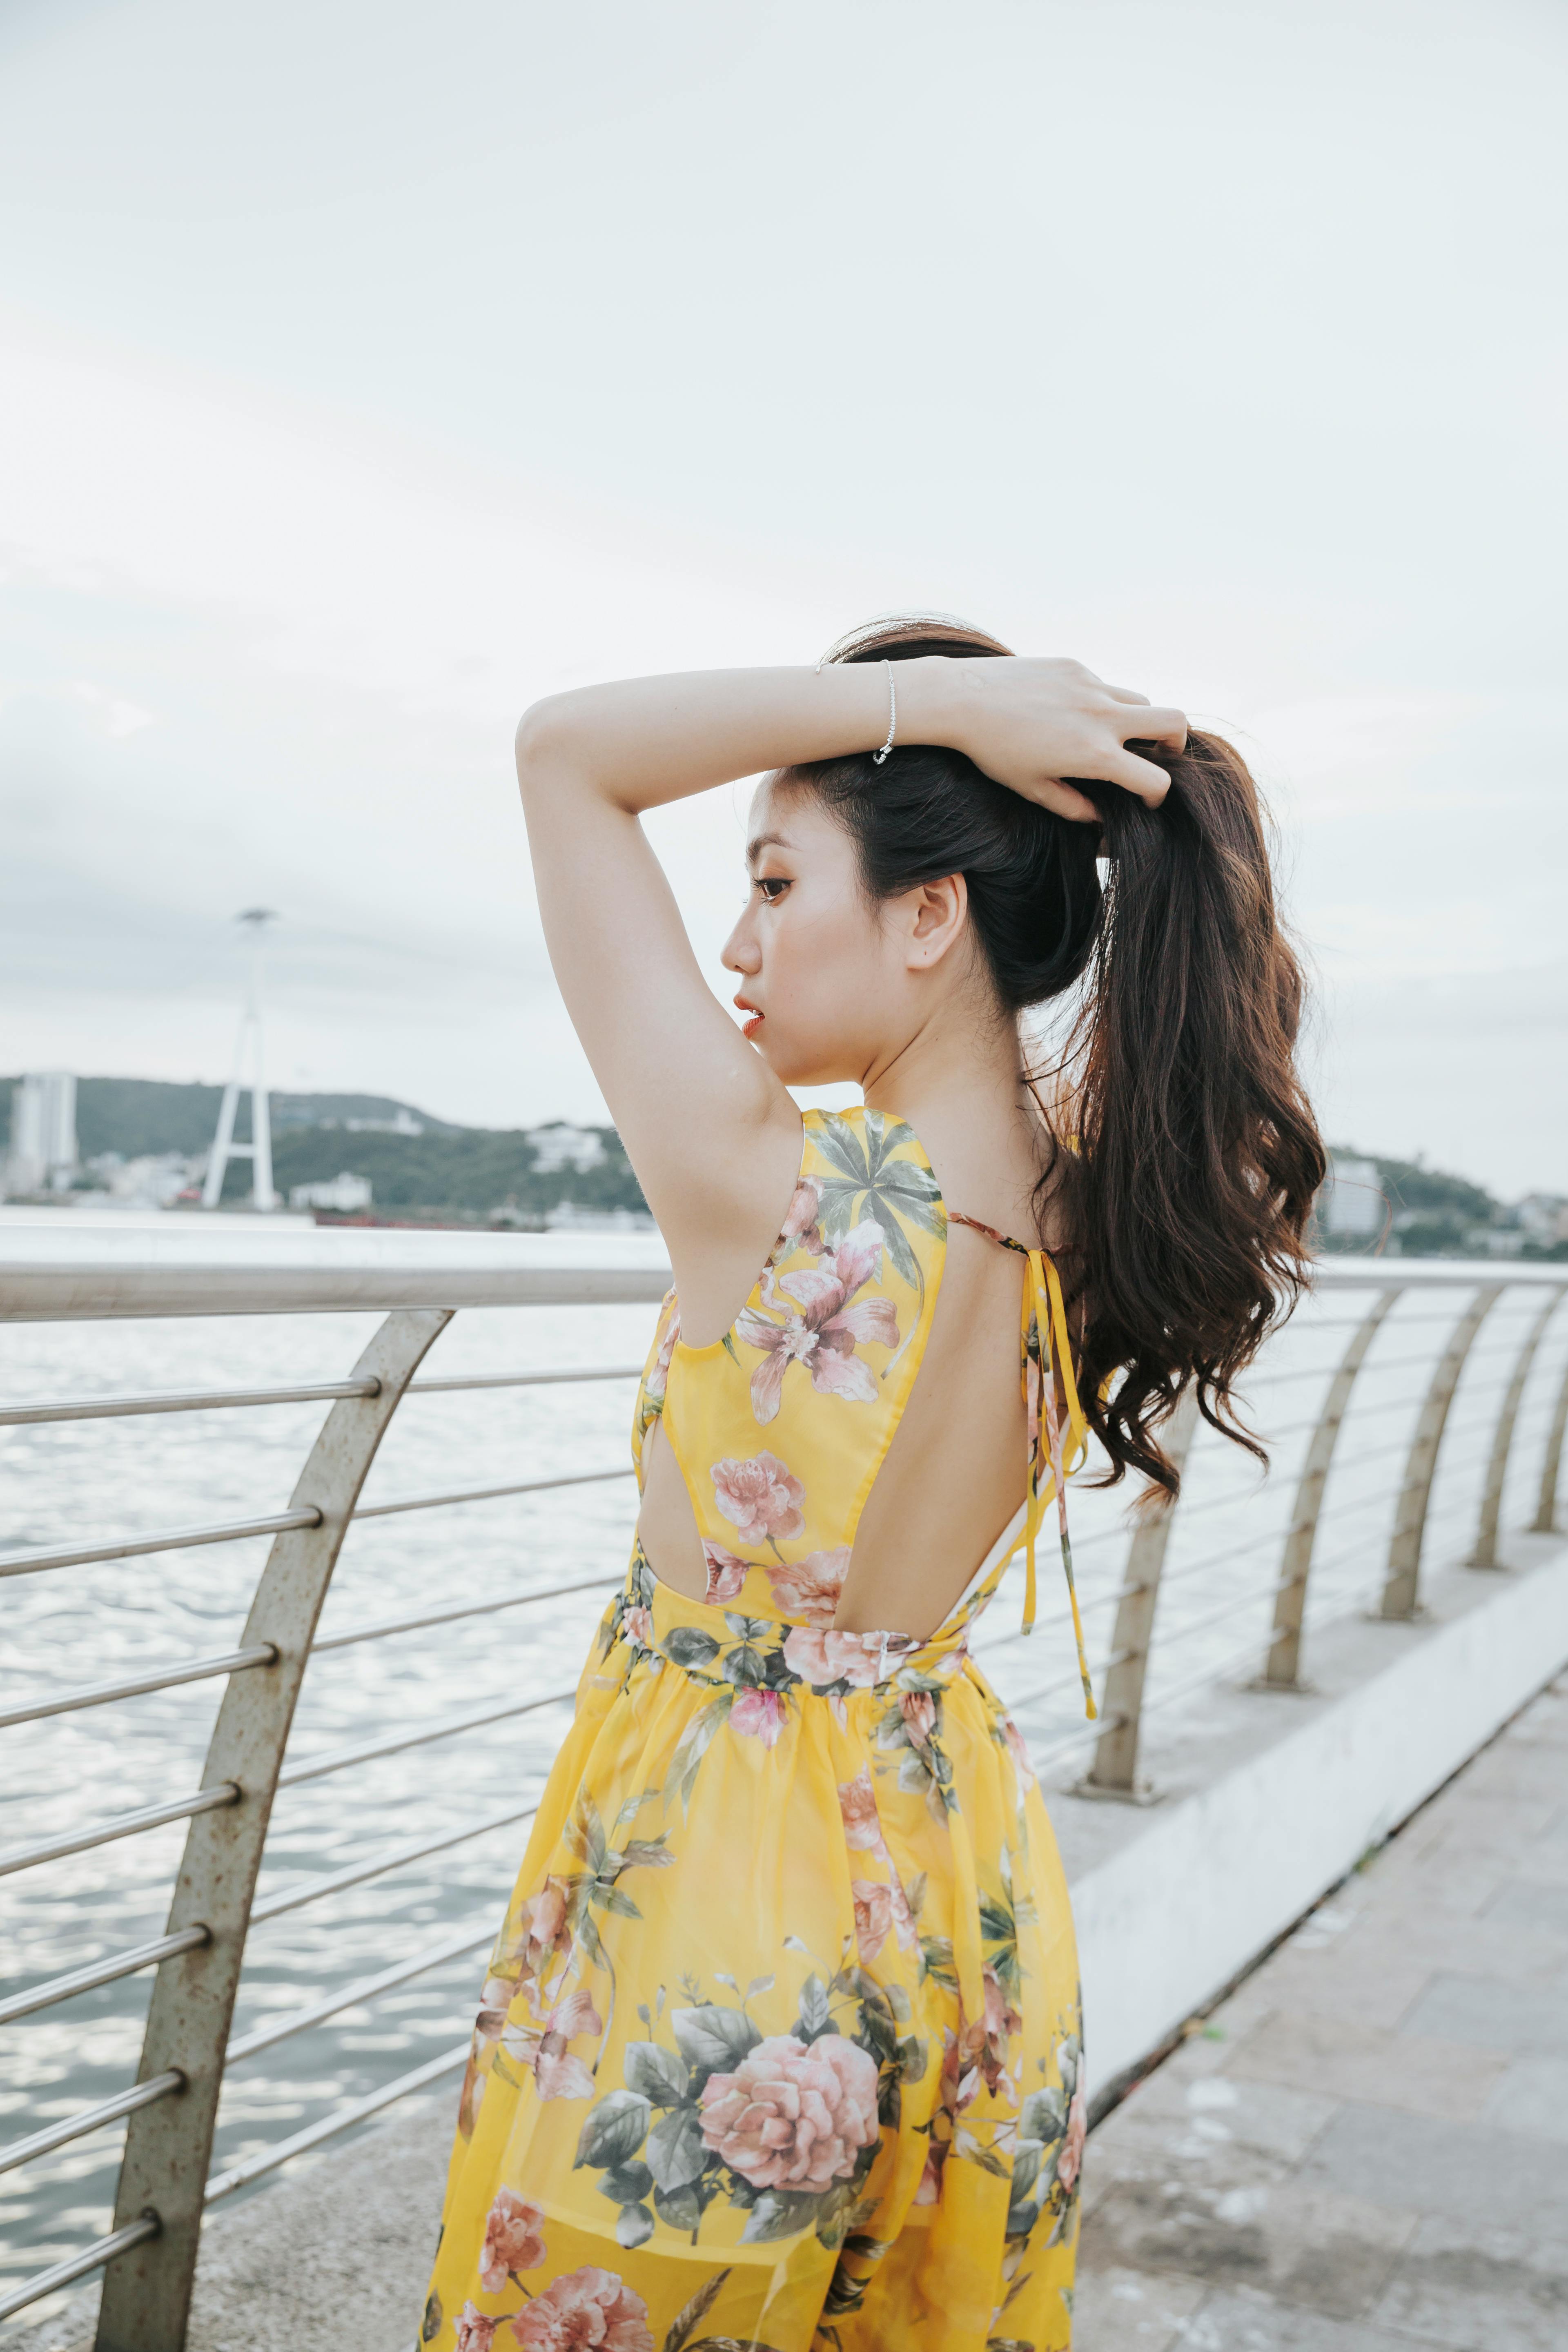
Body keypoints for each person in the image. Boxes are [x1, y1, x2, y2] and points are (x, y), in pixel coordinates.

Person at [421, 615, 1323, 2352]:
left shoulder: (770, 1189)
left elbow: (563, 750)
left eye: (775, 880)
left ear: (931, 917)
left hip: (721, 1889)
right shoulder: (1096, 1219)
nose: (739, 942)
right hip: (950, 1880)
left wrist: (933, 709)